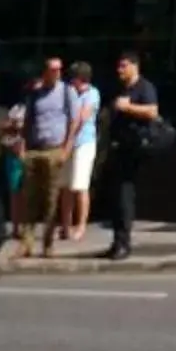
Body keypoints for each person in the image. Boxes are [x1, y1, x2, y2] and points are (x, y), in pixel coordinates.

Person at [15, 54, 78, 257]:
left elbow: (74, 121)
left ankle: (48, 243)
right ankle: (26, 242)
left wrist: (66, 149)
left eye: (59, 69)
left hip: (54, 149)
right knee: (30, 198)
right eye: (52, 69)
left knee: (51, 199)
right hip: (35, 148)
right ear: (45, 72)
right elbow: (27, 122)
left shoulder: (67, 92)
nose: (56, 73)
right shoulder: (35, 94)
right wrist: (23, 148)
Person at [104, 53, 164, 259]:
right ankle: (117, 241)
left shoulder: (144, 87)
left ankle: (123, 243)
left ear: (135, 66)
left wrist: (127, 107)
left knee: (124, 196)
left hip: (134, 149)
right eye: (118, 66)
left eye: (123, 66)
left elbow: (152, 112)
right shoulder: (122, 89)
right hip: (118, 147)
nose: (119, 70)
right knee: (115, 197)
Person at [62, 62, 101, 242]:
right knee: (66, 186)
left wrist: (70, 139)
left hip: (83, 143)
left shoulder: (92, 93)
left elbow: (82, 118)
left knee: (80, 185)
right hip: (66, 143)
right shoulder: (69, 92)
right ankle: (65, 225)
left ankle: (81, 225)